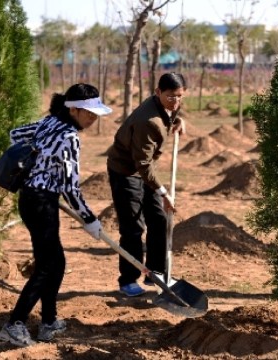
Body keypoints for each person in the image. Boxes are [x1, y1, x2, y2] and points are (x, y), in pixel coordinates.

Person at [0, 84, 111, 347]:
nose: (93, 118)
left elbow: (16, 134)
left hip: (34, 199)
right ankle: (14, 324)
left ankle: (48, 321)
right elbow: (70, 188)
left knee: (55, 263)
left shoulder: (49, 122)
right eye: (88, 113)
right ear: (73, 109)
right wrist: (90, 220)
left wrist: (36, 164)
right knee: (48, 266)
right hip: (41, 204)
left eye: (95, 113)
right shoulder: (69, 137)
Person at [107, 72, 185, 297]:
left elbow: (171, 112)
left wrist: (177, 120)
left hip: (144, 168)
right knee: (133, 227)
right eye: (171, 97)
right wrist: (163, 192)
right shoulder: (148, 121)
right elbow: (142, 164)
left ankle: (156, 273)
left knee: (159, 218)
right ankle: (128, 280)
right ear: (158, 92)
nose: (176, 101)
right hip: (125, 172)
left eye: (180, 96)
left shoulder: (166, 106)